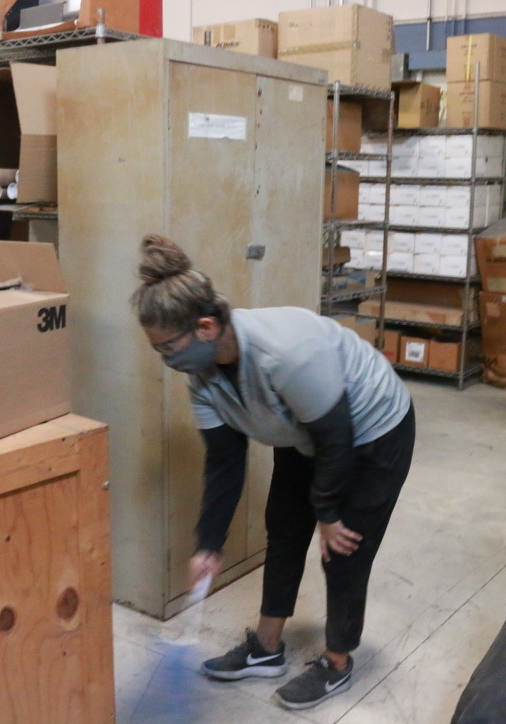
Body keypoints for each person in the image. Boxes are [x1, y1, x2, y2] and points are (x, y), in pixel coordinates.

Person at [131, 234, 415, 711]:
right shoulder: (201, 378)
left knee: (342, 548)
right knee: (283, 529)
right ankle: (266, 649)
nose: (165, 359)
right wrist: (209, 543)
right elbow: (224, 460)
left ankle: (338, 661)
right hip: (305, 433)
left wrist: (327, 512)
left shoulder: (285, 353)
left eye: (166, 348)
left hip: (370, 432)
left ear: (204, 327)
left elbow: (336, 437)